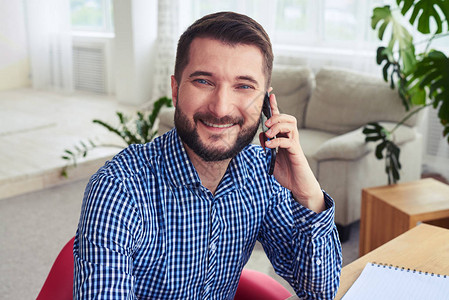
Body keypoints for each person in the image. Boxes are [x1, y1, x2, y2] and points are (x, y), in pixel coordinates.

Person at [73, 11, 342, 299]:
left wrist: (308, 195)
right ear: (176, 90)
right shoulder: (119, 188)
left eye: (244, 86)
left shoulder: (263, 173)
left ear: (266, 102)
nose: (221, 108)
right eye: (203, 81)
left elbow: (321, 290)